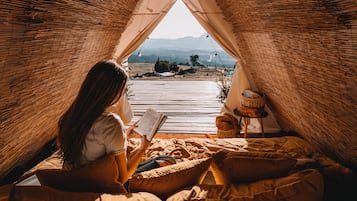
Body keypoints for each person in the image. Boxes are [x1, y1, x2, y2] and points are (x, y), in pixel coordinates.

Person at [57, 60, 174, 185]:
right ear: (111, 91)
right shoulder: (111, 122)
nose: (123, 94)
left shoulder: (70, 116)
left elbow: (94, 145)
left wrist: (125, 135)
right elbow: (122, 178)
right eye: (122, 90)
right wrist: (142, 148)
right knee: (168, 160)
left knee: (161, 160)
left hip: (75, 179)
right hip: (101, 183)